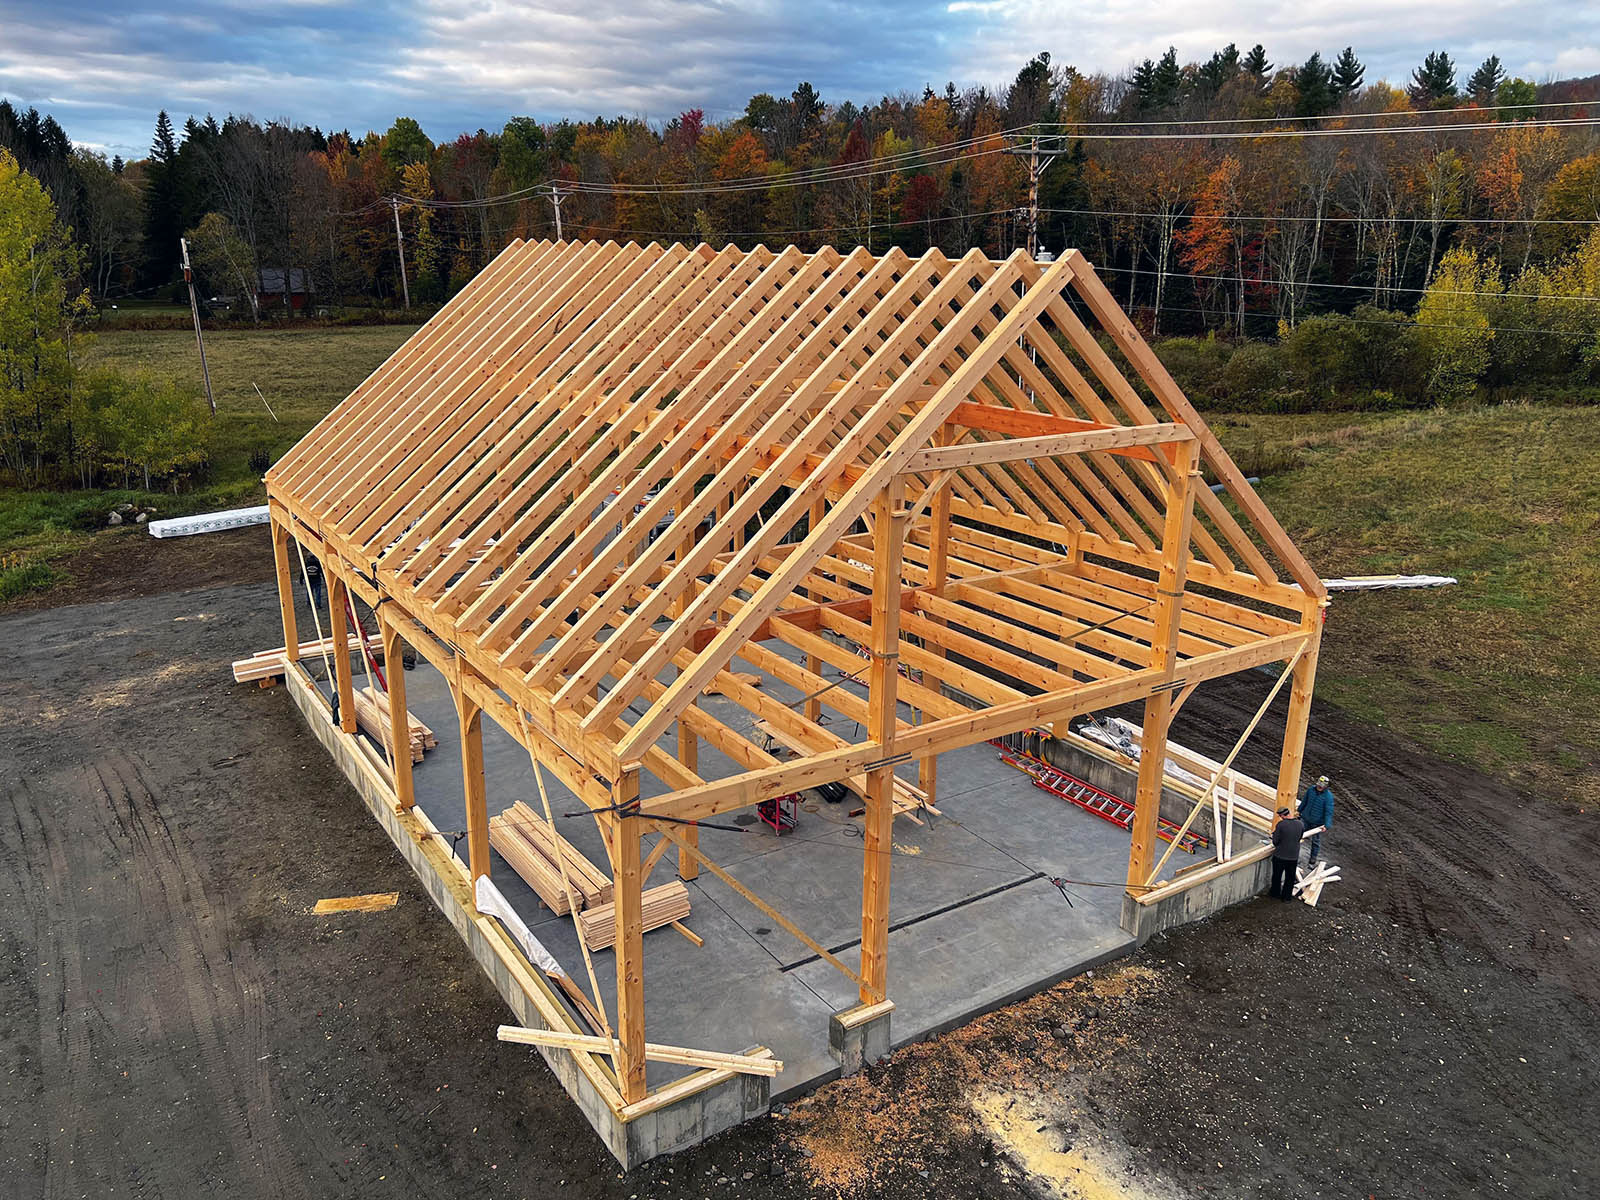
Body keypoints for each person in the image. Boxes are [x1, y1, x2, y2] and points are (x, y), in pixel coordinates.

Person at [1269, 807, 1305, 902]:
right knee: (1290, 878)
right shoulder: (1300, 824)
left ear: (1282, 815)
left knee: (1277, 876)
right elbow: (1299, 837)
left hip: (1280, 856)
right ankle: (1286, 897)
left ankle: (1275, 893)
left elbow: (1275, 841)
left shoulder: (1281, 825)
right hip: (1293, 857)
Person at [1298, 774, 1335, 864]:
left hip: (1317, 823)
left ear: (1326, 787)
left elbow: (1328, 812)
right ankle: (1295, 855)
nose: (1319, 787)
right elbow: (1305, 801)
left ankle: (1313, 858)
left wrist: (1327, 825)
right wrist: (1299, 811)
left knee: (1315, 842)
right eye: (1318, 785)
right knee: (1297, 836)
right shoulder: (1311, 790)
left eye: (1321, 786)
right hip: (1306, 818)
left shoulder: (1328, 797)